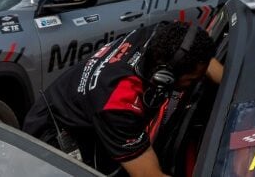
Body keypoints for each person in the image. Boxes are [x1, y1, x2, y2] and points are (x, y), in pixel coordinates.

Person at [24, 21, 223, 176]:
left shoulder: (163, 37)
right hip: (54, 134)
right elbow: (150, 175)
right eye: (191, 80)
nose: (196, 82)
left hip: (86, 108)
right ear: (165, 77)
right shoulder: (119, 103)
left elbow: (203, 61)